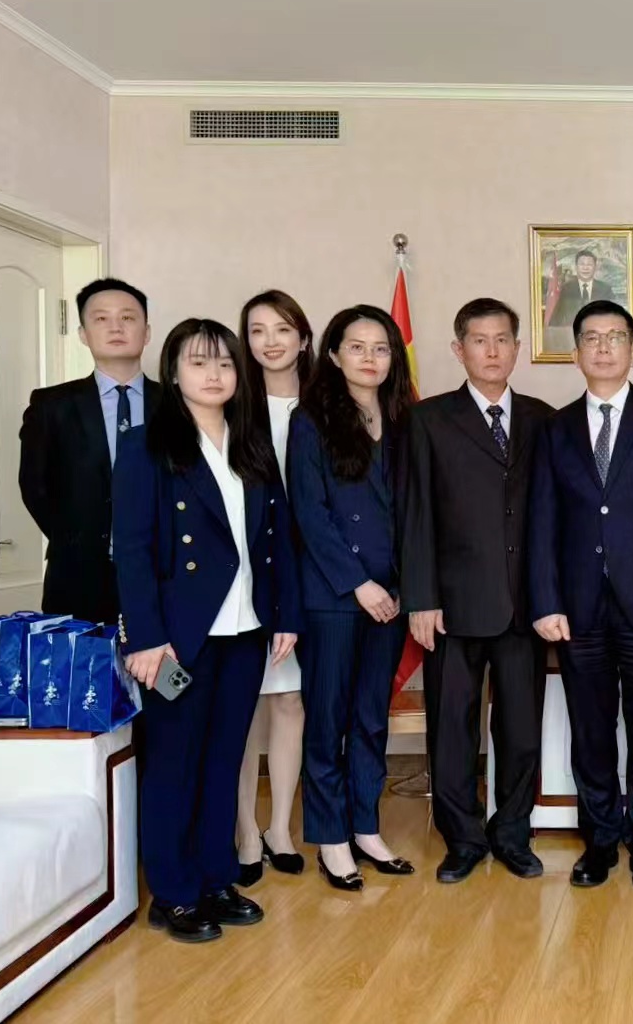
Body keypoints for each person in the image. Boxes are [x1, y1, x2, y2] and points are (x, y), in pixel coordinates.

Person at [113, 318, 300, 943]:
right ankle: (172, 892)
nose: (214, 374)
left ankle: (216, 877)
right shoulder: (146, 446)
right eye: (198, 362)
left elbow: (276, 539)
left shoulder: (250, 443)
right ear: (173, 373)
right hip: (175, 640)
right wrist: (145, 638)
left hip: (245, 631)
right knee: (174, 762)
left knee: (225, 759)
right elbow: (132, 550)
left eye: (224, 363)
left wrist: (285, 615)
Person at [527, 300, 633, 892]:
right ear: (575, 353)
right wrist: (545, 601)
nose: (603, 348)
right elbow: (542, 522)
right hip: (577, 610)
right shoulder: (555, 430)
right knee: (591, 731)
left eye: (615, 337)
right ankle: (600, 839)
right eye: (592, 338)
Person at [401, 298, 553, 884]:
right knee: (452, 727)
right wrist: (420, 597)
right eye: (479, 341)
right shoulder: (428, 419)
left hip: (523, 605)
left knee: (520, 728)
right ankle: (462, 839)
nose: (491, 351)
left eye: (502, 340)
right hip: (451, 604)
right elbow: (415, 514)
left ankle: (512, 832)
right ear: (458, 349)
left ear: (517, 348)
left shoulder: (544, 419)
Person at [289, 305, 415, 890]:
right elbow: (310, 514)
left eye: (381, 348)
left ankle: (366, 827)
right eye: (357, 347)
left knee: (370, 719)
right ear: (334, 355)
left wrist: (401, 586)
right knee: (328, 721)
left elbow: (416, 511)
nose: (370, 358)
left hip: (392, 596)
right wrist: (359, 584)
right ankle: (331, 838)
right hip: (336, 596)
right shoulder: (310, 420)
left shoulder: (406, 419)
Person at [19, 278, 159, 625]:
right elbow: (34, 487)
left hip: (162, 576)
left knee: (165, 662)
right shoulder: (52, 405)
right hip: (77, 578)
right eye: (101, 318)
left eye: (127, 317)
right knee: (80, 660)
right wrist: (77, 541)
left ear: (146, 332)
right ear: (83, 334)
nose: (116, 327)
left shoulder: (178, 405)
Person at [232, 290, 313, 887]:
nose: (270, 341)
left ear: (304, 338)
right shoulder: (231, 403)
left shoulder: (326, 403)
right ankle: (244, 830)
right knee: (242, 708)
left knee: (290, 701)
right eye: (257, 331)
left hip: (313, 571)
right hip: (248, 572)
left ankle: (280, 827)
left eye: (282, 329)